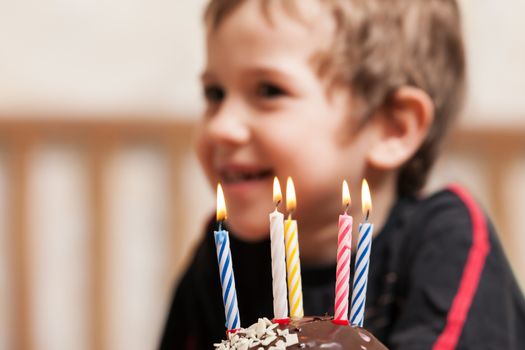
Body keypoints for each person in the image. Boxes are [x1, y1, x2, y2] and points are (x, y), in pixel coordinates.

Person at [160, 0, 525, 349]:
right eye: (214, 93)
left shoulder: (444, 239)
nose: (221, 126)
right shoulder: (223, 258)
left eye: (269, 91)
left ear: (392, 127)